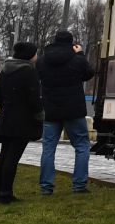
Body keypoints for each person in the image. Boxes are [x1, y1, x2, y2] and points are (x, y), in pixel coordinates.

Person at [37, 30, 96, 196]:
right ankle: (79, 185)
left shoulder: (42, 61)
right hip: (73, 110)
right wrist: (81, 54)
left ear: (54, 41)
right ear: (72, 44)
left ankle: (46, 186)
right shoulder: (76, 60)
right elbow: (89, 73)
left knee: (48, 148)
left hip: (50, 110)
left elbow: (38, 76)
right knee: (82, 146)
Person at [0, 41, 42, 204]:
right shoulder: (29, 72)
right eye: (35, 53)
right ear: (29, 55)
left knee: (3, 156)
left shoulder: (4, 71)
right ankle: (6, 193)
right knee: (12, 158)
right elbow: (34, 98)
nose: (37, 56)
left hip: (6, 117)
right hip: (22, 119)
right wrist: (39, 115)